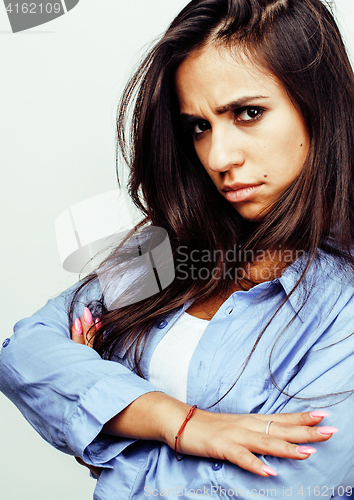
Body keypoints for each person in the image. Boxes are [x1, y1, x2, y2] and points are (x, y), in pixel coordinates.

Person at [2, 0, 354, 497]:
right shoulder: (170, 249)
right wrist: (181, 423)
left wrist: (107, 430)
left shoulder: (344, 301)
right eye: (199, 126)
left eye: (248, 113)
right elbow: (25, 354)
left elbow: (264, 491)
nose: (218, 156)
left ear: (320, 106)